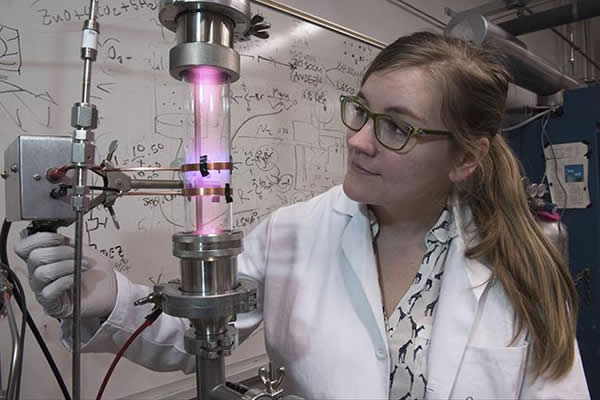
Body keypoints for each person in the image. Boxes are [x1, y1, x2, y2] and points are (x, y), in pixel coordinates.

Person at [15, 32, 590, 399]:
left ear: (464, 157)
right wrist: (107, 297)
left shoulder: (524, 265)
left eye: (396, 126)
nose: (358, 140)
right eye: (360, 111)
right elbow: (203, 336)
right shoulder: (294, 231)